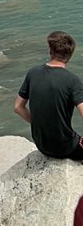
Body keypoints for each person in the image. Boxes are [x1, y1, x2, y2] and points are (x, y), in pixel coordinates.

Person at [14, 31, 83, 160]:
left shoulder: (33, 73)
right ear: (70, 55)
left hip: (41, 145)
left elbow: (18, 107)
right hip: (64, 148)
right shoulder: (72, 80)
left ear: (49, 50)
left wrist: (37, 123)